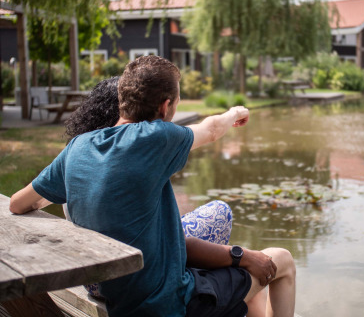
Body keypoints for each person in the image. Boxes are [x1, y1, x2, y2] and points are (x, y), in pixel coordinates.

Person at [10, 56, 296, 317]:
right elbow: (210, 130)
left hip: (116, 294)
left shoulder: (78, 146)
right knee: (282, 261)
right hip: (169, 305)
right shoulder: (154, 137)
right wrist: (235, 112)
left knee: (245, 281)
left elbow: (19, 203)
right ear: (165, 106)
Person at [63, 76, 234, 299]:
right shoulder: (141, 149)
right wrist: (235, 113)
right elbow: (210, 130)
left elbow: (28, 200)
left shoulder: (78, 152)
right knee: (220, 213)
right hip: (135, 278)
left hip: (93, 278)